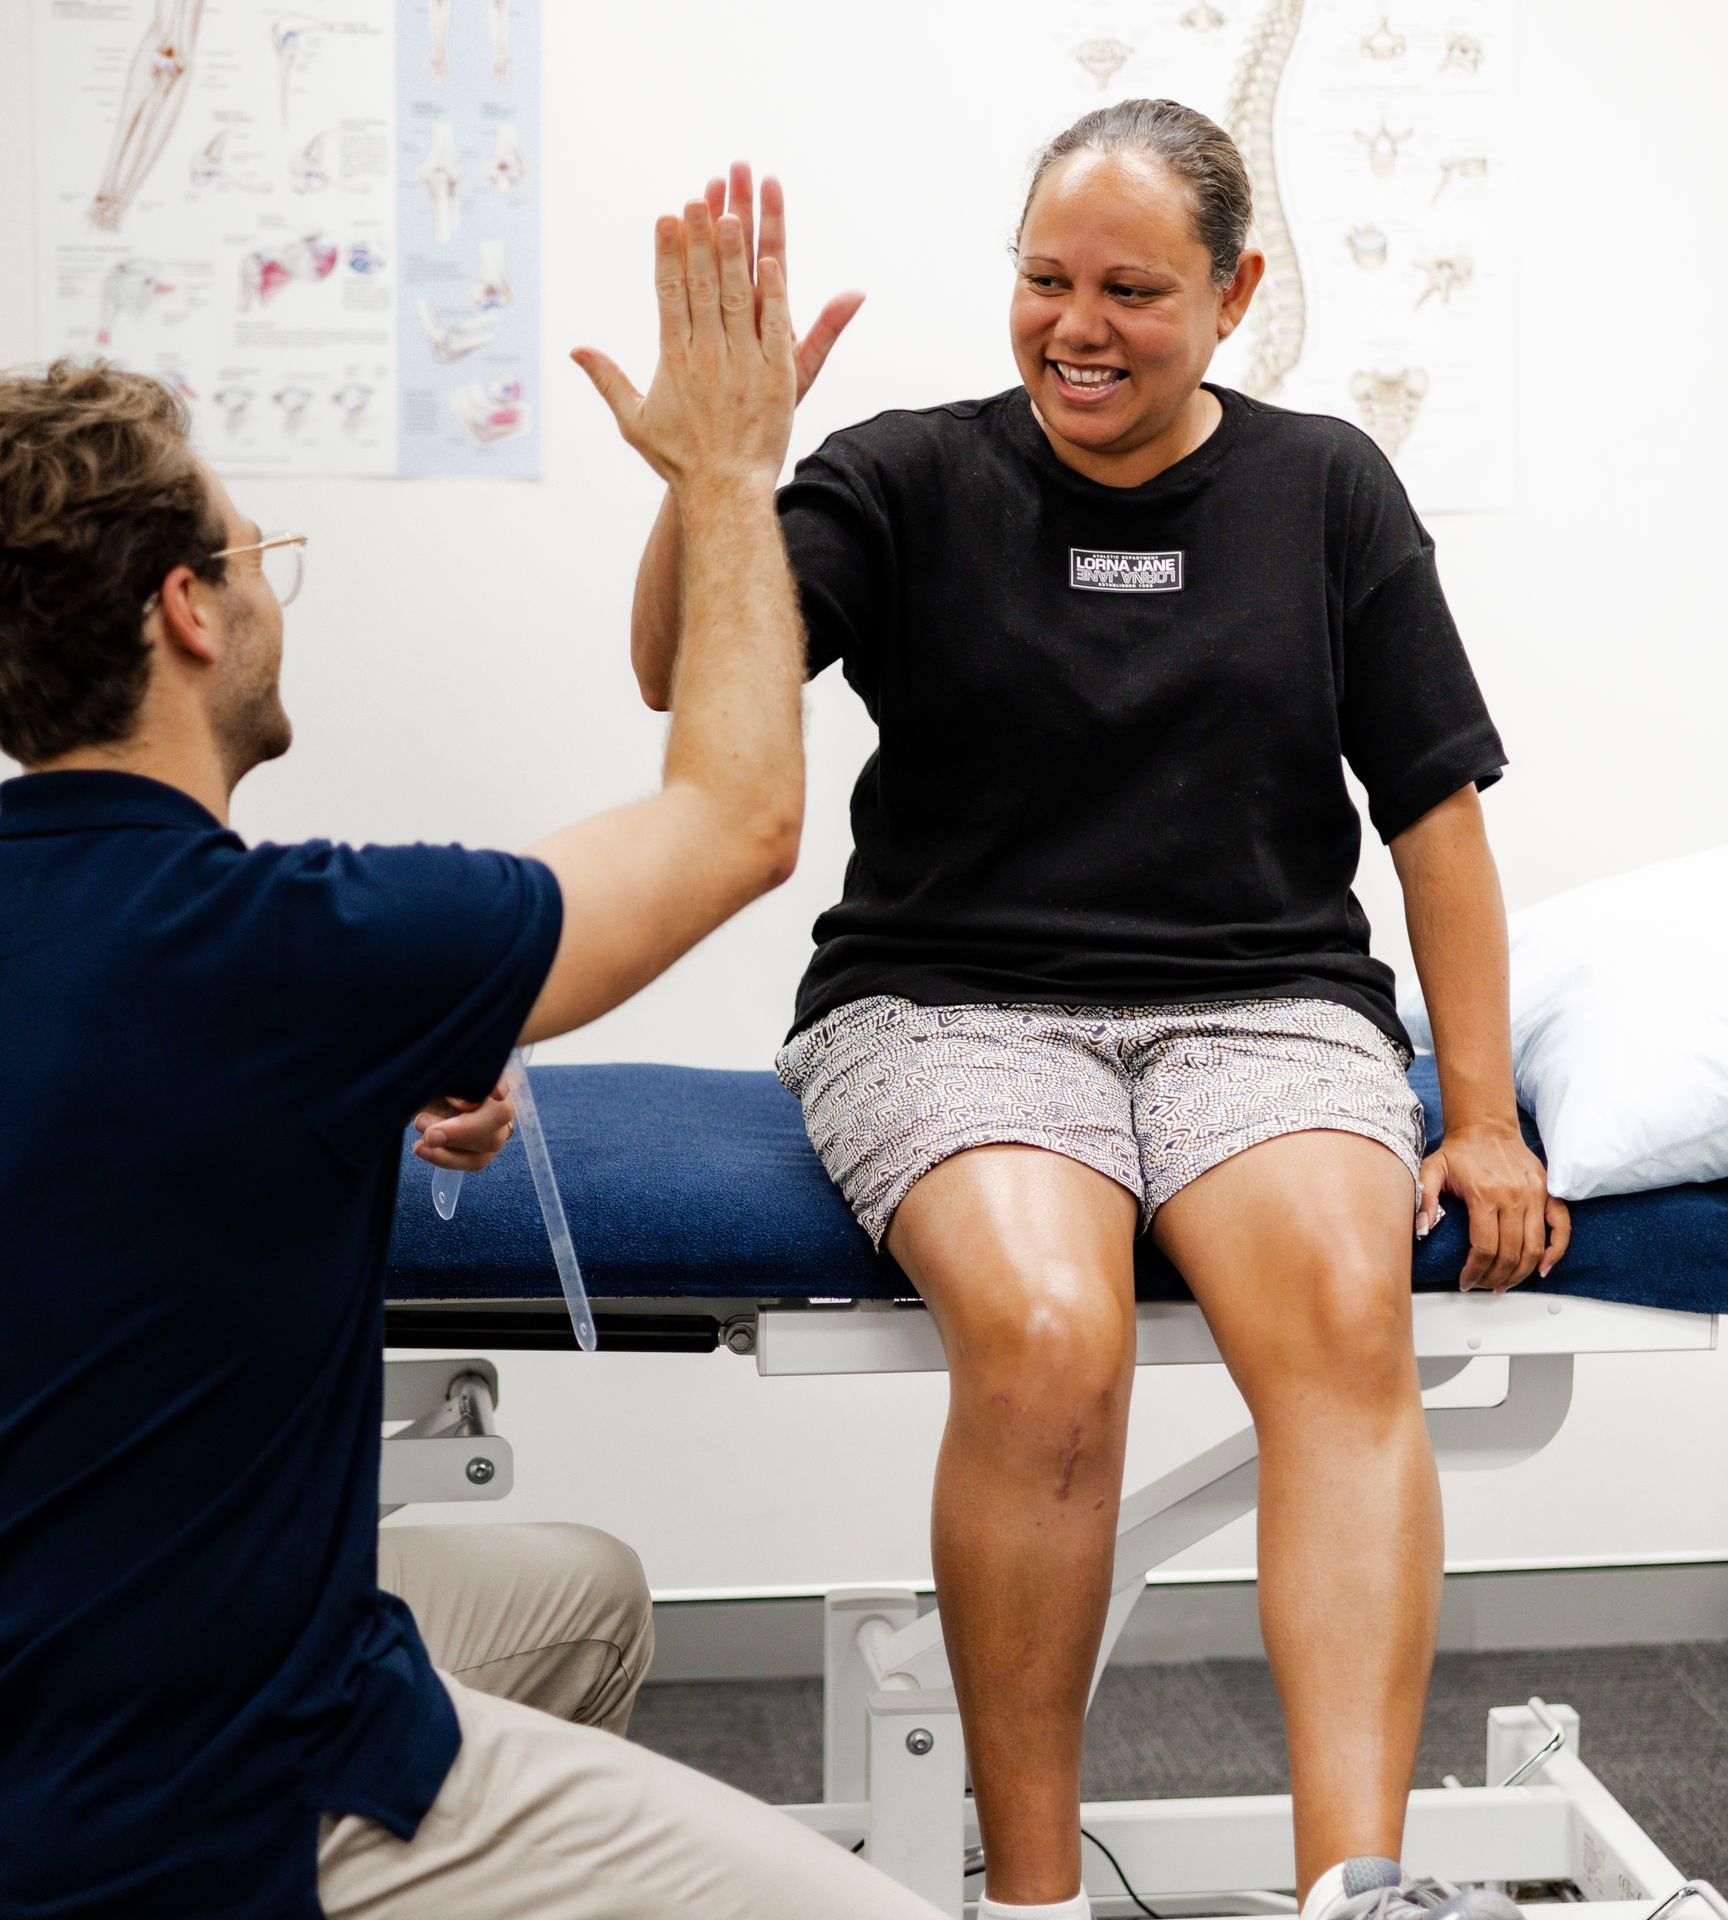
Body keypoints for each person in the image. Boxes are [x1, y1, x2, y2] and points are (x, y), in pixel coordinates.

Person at [0, 182, 944, 1919]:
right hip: (226, 1792)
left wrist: (352, 1100)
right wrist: (731, 476)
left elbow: (135, 1163)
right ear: (189, 613)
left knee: (576, 1590)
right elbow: (733, 817)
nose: (278, 591)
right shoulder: (284, 950)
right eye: (258, 555)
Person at [630, 113, 1572, 1920]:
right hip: (946, 1006)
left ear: (1234, 295)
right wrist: (713, 482)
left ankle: (1355, 1887)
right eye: (1045, 280)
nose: (1078, 324)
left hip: (1265, 1008)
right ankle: (1034, 1900)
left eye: (1132, 289)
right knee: (1054, 1335)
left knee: (1340, 1310)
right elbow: (686, 667)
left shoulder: (1327, 490)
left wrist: (1478, 1114)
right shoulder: (904, 479)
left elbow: (1436, 820)